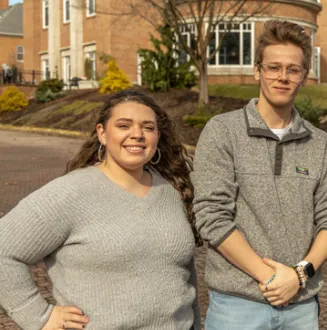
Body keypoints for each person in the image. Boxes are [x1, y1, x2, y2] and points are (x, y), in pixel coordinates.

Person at [191, 19, 327, 330]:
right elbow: (212, 216)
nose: (283, 77)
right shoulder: (223, 132)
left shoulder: (319, 143)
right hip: (237, 306)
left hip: (301, 307)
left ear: (303, 76)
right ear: (257, 71)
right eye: (274, 67)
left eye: (293, 70)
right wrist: (273, 277)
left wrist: (300, 273)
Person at [0, 90, 202, 330]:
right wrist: (38, 316)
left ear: (158, 136)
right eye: (124, 125)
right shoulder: (71, 192)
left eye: (148, 127)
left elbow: (184, 277)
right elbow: (4, 248)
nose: (137, 134)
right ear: (102, 133)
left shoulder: (173, 191)